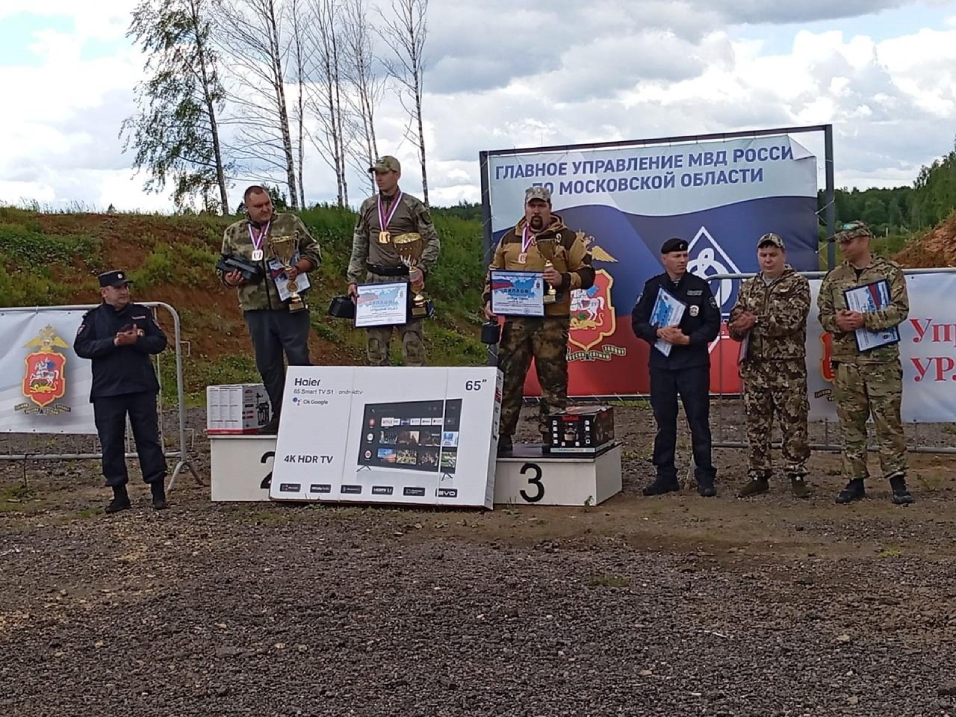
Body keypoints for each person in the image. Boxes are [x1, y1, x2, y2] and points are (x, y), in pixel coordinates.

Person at [482, 185, 595, 454]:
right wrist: (489, 299)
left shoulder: (567, 238)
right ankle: (502, 438)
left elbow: (589, 274)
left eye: (541, 205)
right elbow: (494, 271)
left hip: (551, 321)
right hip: (516, 321)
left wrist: (563, 279)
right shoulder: (509, 237)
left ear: (550, 208)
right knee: (508, 380)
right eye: (532, 205)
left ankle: (553, 438)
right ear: (525, 207)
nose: (536, 210)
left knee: (553, 382)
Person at [817, 220, 913, 505]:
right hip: (847, 363)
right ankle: (854, 480)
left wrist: (866, 320)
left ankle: (897, 480)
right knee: (850, 424)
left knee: (888, 423)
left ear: (865, 239)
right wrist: (837, 321)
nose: (844, 247)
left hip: (881, 362)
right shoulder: (834, 278)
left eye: (849, 241)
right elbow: (823, 315)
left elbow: (901, 310)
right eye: (841, 242)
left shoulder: (889, 272)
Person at [219, 185, 322, 434]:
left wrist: (298, 267)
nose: (265, 209)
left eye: (268, 203)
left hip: (291, 304)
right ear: (247, 208)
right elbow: (222, 268)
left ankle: (309, 415)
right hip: (256, 309)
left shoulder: (290, 223)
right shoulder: (233, 232)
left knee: (299, 359)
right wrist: (229, 279)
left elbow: (314, 253)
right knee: (268, 364)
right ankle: (280, 415)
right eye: (259, 206)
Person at [631, 238, 721, 497]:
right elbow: (637, 323)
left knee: (698, 420)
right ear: (664, 259)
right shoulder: (653, 287)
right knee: (664, 421)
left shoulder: (699, 287)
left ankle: (704, 475)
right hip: (662, 364)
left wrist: (689, 339)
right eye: (676, 256)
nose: (682, 260)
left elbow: (712, 324)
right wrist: (656, 332)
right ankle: (665, 475)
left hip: (693, 363)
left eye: (685, 255)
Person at [74, 270, 169, 513]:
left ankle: (158, 491)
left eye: (126, 287)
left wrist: (136, 342)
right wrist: (113, 343)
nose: (124, 292)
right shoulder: (94, 319)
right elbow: (82, 347)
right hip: (108, 390)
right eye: (118, 288)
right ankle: (119, 494)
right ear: (104, 292)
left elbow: (159, 342)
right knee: (111, 443)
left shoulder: (141, 313)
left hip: (141, 386)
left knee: (148, 439)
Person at [728, 233, 811, 499]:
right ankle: (758, 473)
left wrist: (755, 321)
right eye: (763, 255)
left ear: (783, 255)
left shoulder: (797, 283)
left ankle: (796, 472)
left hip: (787, 367)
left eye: (773, 255)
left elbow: (792, 320)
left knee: (793, 421)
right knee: (756, 422)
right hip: (754, 366)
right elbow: (736, 316)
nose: (768, 260)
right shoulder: (749, 285)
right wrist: (737, 326)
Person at [347, 156, 440, 366]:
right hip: (375, 282)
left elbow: (432, 240)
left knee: (412, 346)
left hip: (405, 282)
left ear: (396, 175)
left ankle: (416, 394)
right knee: (376, 349)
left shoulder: (412, 205)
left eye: (383, 173)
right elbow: (359, 243)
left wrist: (421, 269)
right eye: (376, 174)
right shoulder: (368, 206)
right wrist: (353, 278)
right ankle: (381, 394)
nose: (378, 178)